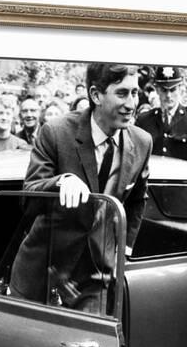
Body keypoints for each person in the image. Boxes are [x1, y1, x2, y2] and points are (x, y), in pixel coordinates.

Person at [10, 63, 152, 314]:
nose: (131, 104)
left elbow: (138, 198)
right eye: (122, 93)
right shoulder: (56, 132)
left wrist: (124, 249)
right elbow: (28, 200)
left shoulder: (142, 142)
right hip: (43, 274)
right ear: (96, 95)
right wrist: (61, 182)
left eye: (135, 93)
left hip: (95, 279)